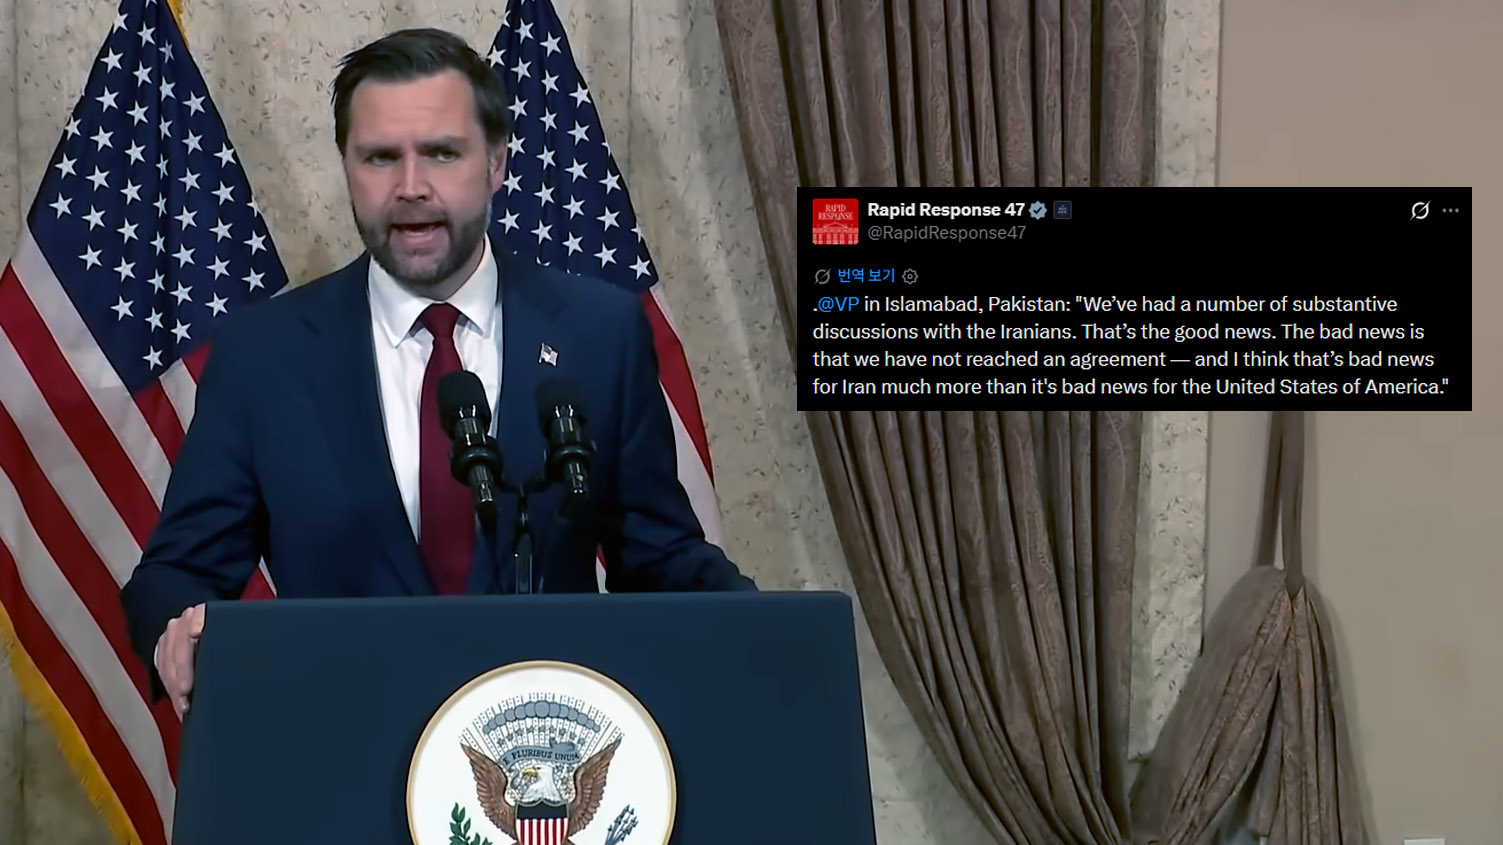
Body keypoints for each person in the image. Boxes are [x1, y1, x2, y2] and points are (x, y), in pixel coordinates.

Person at [119, 28, 755, 718]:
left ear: (496, 164)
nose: (411, 187)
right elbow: (178, 571)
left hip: (538, 749)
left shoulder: (598, 334)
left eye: (442, 154)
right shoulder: (262, 355)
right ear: (347, 167)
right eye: (380, 157)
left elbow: (659, 558)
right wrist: (177, 632)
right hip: (340, 744)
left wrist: (771, 632)